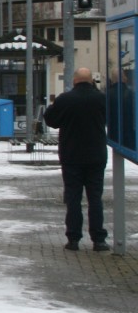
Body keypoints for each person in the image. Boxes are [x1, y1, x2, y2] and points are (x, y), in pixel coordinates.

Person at [43, 67, 110, 252]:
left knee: (73, 198)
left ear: (74, 81)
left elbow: (50, 120)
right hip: (96, 156)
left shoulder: (65, 99)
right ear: (91, 81)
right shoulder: (101, 99)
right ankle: (99, 239)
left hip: (71, 155)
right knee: (95, 198)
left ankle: (73, 239)